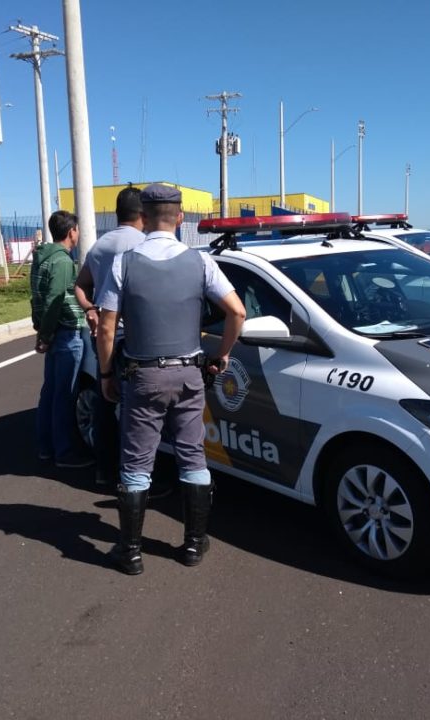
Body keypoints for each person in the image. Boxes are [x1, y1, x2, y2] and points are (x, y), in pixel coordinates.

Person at [96, 183, 246, 575]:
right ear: (180, 218)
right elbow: (238, 312)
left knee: (136, 463)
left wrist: (107, 373)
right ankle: (194, 544)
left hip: (142, 376)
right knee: (192, 456)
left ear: (143, 218)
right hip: (189, 373)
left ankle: (129, 552)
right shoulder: (200, 263)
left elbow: (106, 328)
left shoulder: (123, 263)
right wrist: (223, 354)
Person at [73, 185, 145, 487]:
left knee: (105, 402)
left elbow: (80, 285)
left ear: (117, 213)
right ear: (143, 213)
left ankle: (105, 469)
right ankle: (134, 479)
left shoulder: (100, 246)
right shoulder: (143, 244)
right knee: (136, 410)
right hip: (135, 337)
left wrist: (90, 308)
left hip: (102, 334)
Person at [30, 210, 91, 469]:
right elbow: (56, 299)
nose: (78, 234)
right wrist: (46, 335)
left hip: (52, 334)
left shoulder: (41, 258)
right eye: (77, 229)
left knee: (50, 394)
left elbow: (37, 297)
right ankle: (64, 453)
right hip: (65, 333)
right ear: (71, 232)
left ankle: (46, 447)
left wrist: (41, 329)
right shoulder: (64, 262)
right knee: (64, 396)